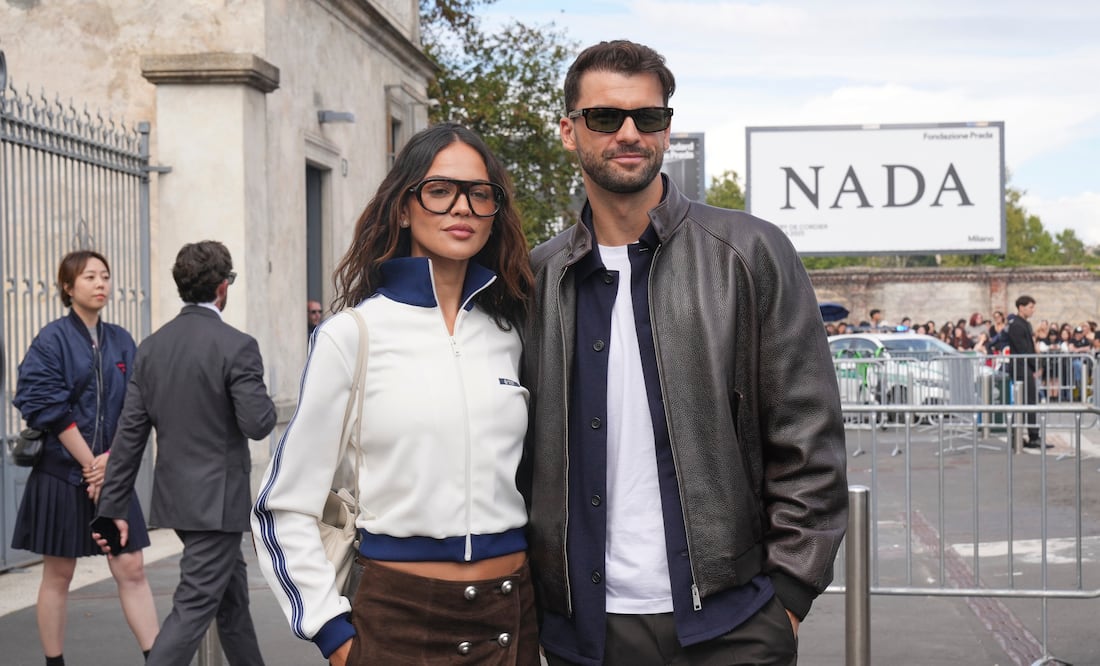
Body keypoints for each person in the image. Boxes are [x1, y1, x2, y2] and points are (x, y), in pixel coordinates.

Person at [520, 40, 848, 665]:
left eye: (649, 118)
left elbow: (810, 437)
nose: (628, 133)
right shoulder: (538, 279)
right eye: (604, 118)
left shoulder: (749, 254)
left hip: (733, 622)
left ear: (667, 131)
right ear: (569, 131)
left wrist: (788, 595)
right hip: (584, 632)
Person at [251, 123, 538, 666]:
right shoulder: (352, 334)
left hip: (512, 617)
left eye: (481, 194)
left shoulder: (513, 331)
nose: (463, 208)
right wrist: (332, 634)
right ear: (404, 207)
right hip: (398, 621)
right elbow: (283, 504)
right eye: (439, 190)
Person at [96, 240, 276, 665]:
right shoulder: (237, 345)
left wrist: (113, 506)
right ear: (222, 287)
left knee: (232, 607)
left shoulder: (152, 347)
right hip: (217, 504)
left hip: (179, 501)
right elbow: (258, 423)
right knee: (193, 608)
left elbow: (130, 434)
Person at [12, 250, 159, 665]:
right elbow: (44, 403)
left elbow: (139, 404)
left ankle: (158, 657)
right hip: (61, 473)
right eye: (90, 276)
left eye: (106, 276)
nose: (101, 284)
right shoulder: (51, 339)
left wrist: (111, 460)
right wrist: (90, 463)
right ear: (67, 286)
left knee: (131, 568)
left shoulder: (122, 340)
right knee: (59, 574)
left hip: (113, 471)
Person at [1004, 295, 1048, 449]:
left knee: (1029, 401)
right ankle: (1031, 436)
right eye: (1030, 307)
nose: (1033, 310)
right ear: (1021, 307)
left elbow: (1030, 346)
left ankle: (1029, 435)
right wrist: (1035, 366)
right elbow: (1023, 349)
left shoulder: (1025, 324)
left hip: (1026, 366)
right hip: (1020, 367)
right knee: (1027, 402)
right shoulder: (1016, 325)